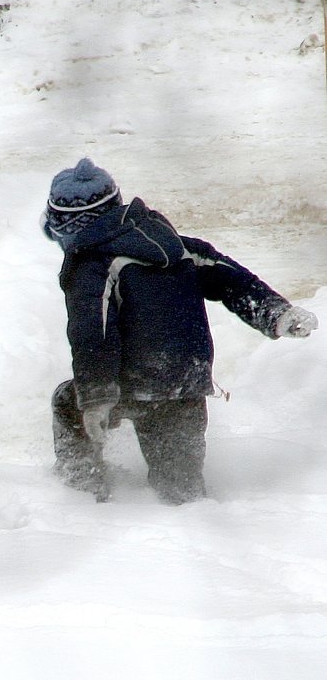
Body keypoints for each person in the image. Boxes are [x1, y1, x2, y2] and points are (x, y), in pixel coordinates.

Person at [42, 157, 318, 504]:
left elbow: (93, 336)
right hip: (188, 381)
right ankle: (191, 513)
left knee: (67, 403)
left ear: (69, 228)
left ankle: (81, 492)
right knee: (181, 490)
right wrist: (276, 313)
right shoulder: (178, 246)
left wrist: (96, 399)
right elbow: (231, 278)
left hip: (135, 382)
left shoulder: (93, 266)